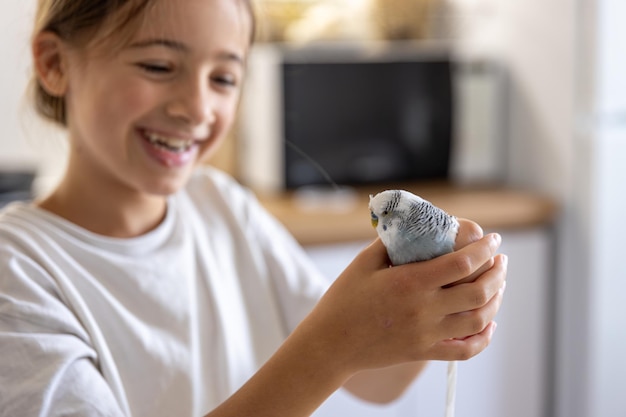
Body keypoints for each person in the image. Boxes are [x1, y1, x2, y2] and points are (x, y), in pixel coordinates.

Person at [0, 0, 508, 416]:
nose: (198, 108)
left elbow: (378, 382)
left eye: (223, 78)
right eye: (158, 66)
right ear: (54, 63)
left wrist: (429, 303)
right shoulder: (18, 272)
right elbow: (336, 350)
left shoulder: (222, 207)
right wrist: (333, 346)